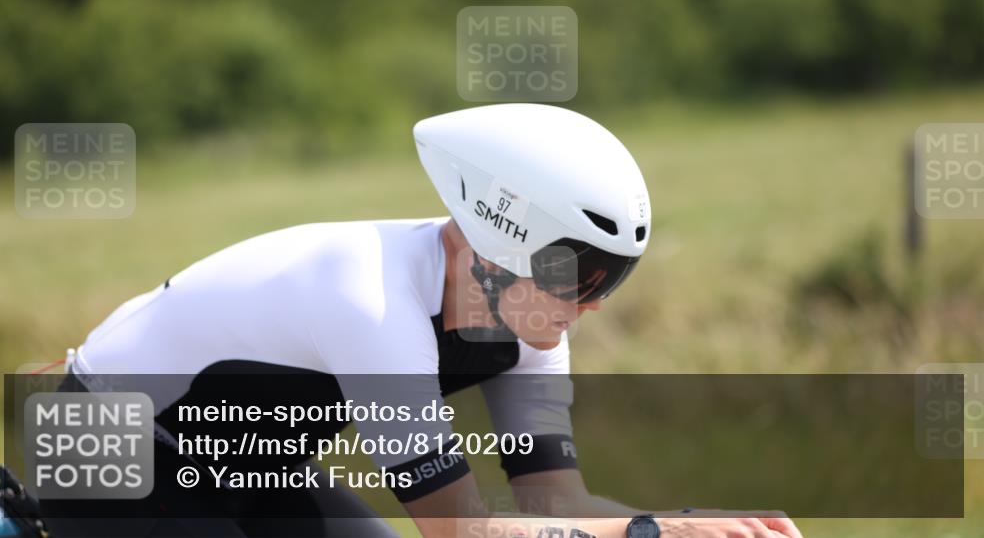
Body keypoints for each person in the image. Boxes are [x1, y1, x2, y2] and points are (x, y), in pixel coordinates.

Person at [45, 104, 803, 538]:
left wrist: (685, 524)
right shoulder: (371, 300)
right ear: (496, 245)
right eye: (578, 273)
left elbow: (556, 508)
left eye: (614, 276)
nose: (594, 302)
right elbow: (458, 530)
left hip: (252, 466)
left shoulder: (529, 328)